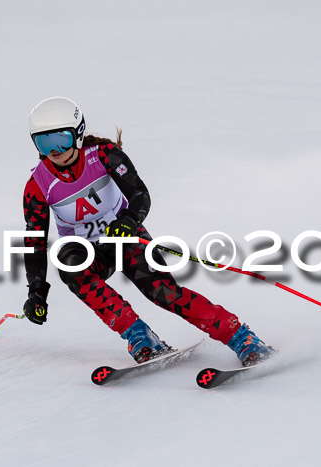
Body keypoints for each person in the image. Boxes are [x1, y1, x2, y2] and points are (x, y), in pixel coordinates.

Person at [22, 96, 275, 365]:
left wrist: (128, 221)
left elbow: (140, 194)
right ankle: (139, 336)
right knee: (68, 263)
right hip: (85, 251)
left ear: (79, 134)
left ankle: (241, 337)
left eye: (61, 139)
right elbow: (34, 239)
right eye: (43, 142)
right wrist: (36, 290)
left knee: (161, 291)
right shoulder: (38, 185)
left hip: (124, 236)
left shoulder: (104, 156)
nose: (54, 150)